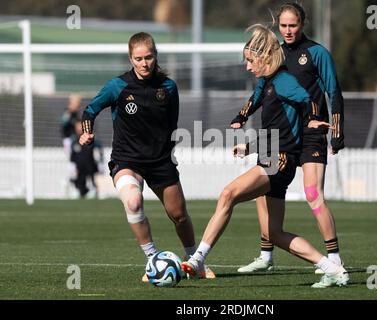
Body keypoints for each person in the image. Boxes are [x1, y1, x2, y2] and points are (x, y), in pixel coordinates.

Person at [181, 24, 348, 288]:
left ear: (264, 57)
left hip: (278, 160)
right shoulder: (270, 83)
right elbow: (277, 128)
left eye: (250, 61)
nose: (248, 67)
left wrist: (315, 119)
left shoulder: (282, 81)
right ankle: (333, 268)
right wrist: (249, 146)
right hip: (272, 155)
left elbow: (309, 99)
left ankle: (198, 258)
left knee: (228, 194)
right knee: (274, 233)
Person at [78, 32, 214, 280]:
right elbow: (89, 110)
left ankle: (195, 261)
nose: (144, 63)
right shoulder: (117, 86)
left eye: (148, 57)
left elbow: (171, 125)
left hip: (160, 161)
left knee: (179, 215)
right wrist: (86, 133)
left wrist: (168, 155)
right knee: (133, 202)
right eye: (138, 58)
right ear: (131, 58)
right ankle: (153, 261)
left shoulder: (168, 87)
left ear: (156, 56)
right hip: (126, 160)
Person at [231, 2, 345, 275]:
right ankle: (266, 255)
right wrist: (242, 116)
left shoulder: (317, 53)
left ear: (302, 24)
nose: (288, 30)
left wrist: (337, 134)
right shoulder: (274, 53)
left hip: (312, 131)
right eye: (283, 26)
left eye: (293, 25)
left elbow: (334, 92)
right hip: (283, 135)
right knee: (264, 187)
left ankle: (335, 258)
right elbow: (260, 90)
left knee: (312, 193)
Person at [70, 120, 104, 198]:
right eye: (77, 126)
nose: (78, 128)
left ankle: (93, 191)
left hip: (90, 166)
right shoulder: (74, 140)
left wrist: (100, 163)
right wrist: (72, 166)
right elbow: (73, 155)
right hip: (79, 168)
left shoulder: (90, 138)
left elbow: (98, 150)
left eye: (80, 126)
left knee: (92, 182)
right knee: (80, 184)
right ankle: (81, 191)